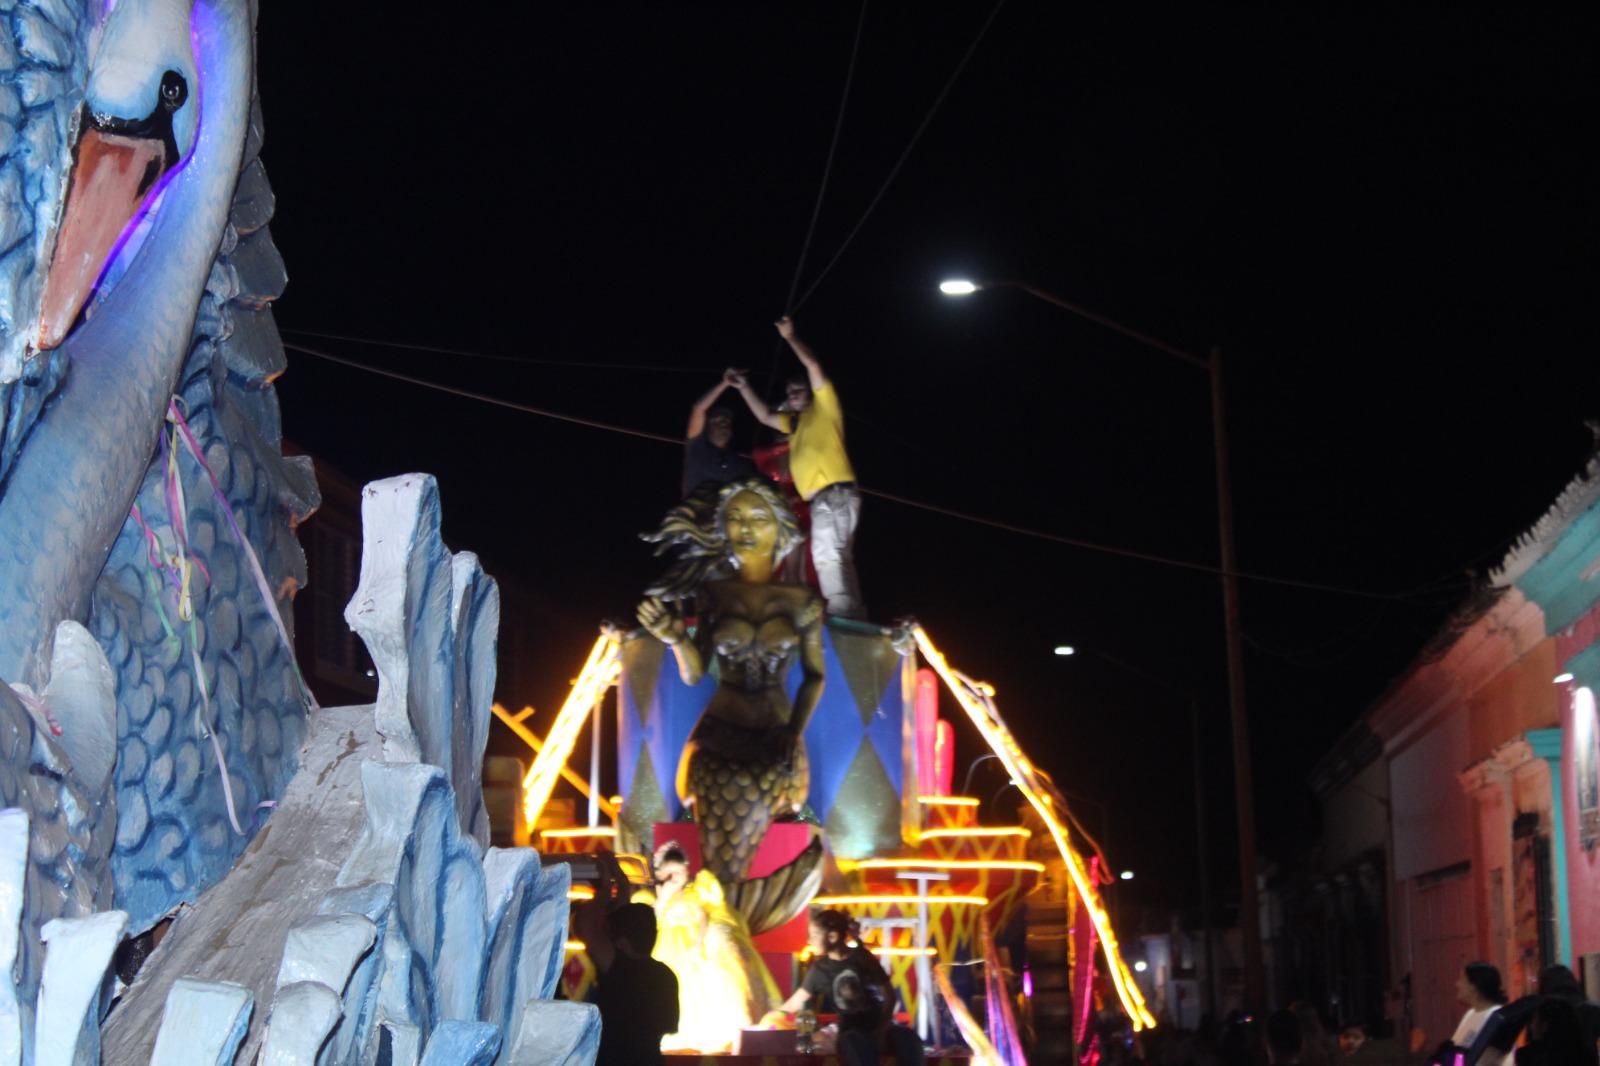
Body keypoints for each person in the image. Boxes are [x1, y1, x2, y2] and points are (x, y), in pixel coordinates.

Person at [638, 477, 825, 882]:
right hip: (720, 733)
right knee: (717, 829)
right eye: (736, 518)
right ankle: (722, 899)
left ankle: (745, 899)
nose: (745, 528)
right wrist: (675, 639)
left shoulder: (803, 602)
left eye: (758, 518)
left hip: (776, 737)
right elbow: (694, 673)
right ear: (722, 527)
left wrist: (793, 733)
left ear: (780, 526)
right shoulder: (714, 594)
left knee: (766, 819)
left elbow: (815, 677)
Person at [728, 316, 865, 618]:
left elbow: (813, 366)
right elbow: (764, 416)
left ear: (811, 392)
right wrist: (743, 387)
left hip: (833, 494)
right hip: (825, 499)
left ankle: (843, 614)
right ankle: (854, 614)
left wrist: (790, 337)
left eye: (798, 390)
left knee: (827, 556)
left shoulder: (825, 408)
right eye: (789, 393)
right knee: (838, 556)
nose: (792, 396)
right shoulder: (794, 424)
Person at [634, 842, 778, 1052]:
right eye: (671, 873)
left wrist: (699, 942)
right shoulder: (656, 897)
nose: (676, 877)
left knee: (710, 982)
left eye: (680, 872)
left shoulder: (695, 893)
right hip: (668, 943)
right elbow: (654, 918)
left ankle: (717, 1035)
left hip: (693, 942)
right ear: (660, 873)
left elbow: (703, 917)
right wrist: (664, 896)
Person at [777, 909, 923, 1065]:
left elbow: (890, 997)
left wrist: (881, 1031)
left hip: (879, 1026)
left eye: (814, 936)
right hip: (850, 1033)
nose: (809, 941)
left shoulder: (862, 958)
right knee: (855, 1044)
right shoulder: (819, 970)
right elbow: (795, 1002)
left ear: (832, 937)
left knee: (909, 1038)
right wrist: (774, 1016)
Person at [581, 875, 680, 1066]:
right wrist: (621, 885)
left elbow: (585, 926)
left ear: (622, 943)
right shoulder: (665, 976)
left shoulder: (620, 969)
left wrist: (604, 892)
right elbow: (668, 1025)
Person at [681, 370, 756, 498]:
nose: (724, 423)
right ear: (708, 427)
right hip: (697, 508)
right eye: (719, 420)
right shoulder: (697, 447)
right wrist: (725, 383)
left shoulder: (739, 463)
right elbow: (698, 409)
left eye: (727, 421)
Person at [1448, 962, 1506, 1053]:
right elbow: (1455, 1047)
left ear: (1474, 986)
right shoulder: (1471, 1013)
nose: (1457, 984)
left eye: (1462, 980)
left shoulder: (1496, 1017)